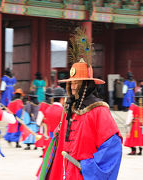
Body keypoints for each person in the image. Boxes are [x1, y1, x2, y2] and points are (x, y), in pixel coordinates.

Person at [39, 28, 123, 179]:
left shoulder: (99, 110)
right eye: (71, 83)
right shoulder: (69, 109)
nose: (72, 86)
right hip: (66, 173)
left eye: (76, 83)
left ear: (86, 84)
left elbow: (113, 145)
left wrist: (88, 166)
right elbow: (59, 148)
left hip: (83, 174)